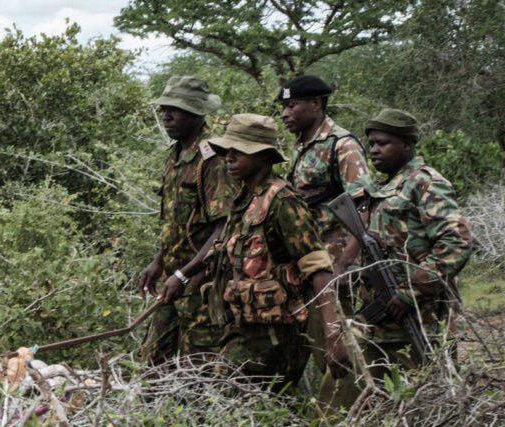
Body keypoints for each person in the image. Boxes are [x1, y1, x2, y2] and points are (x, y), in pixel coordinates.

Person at [204, 114, 349, 388]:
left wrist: (333, 332)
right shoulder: (244, 200)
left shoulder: (283, 202)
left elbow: (317, 267)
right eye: (227, 151)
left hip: (276, 334)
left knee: (224, 398)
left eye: (239, 151)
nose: (229, 158)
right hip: (246, 328)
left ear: (263, 156)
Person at [278, 75, 372, 401]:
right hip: (307, 259)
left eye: (292, 106)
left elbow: (363, 208)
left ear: (316, 104)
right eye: (283, 107)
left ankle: (352, 420)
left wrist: (346, 263)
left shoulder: (341, 144)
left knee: (336, 346)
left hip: (332, 262)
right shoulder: (304, 144)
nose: (285, 113)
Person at [358, 108, 473, 370]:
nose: (374, 150)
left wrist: (412, 291)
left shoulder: (425, 182)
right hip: (385, 319)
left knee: (429, 392)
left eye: (383, 143)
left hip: (423, 317)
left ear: (407, 145)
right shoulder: (387, 186)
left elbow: (457, 241)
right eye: (372, 143)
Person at [138, 76, 237, 362]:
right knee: (152, 363)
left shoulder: (213, 160)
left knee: (198, 369)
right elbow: (175, 221)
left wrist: (184, 274)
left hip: (201, 284)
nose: (166, 116)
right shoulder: (175, 154)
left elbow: (224, 226)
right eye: (164, 109)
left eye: (175, 110)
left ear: (196, 114)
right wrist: (159, 261)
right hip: (173, 280)